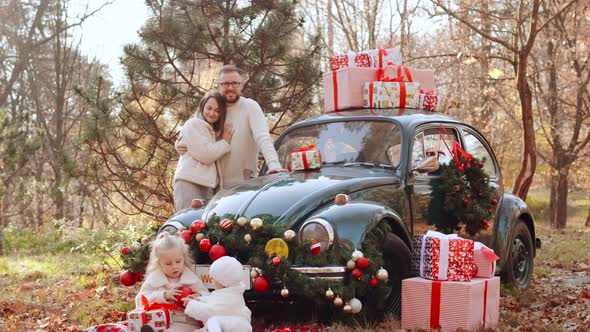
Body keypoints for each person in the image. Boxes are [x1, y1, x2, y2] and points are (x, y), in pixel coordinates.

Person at [177, 65, 283, 189]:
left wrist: (274, 164)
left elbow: (263, 137)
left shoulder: (250, 106)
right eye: (226, 84)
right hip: (212, 186)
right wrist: (179, 143)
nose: (230, 88)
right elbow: (189, 130)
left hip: (243, 183)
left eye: (235, 83)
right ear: (219, 85)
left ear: (241, 86)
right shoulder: (211, 106)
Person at [135, 232, 210, 332]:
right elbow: (140, 301)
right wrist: (163, 296)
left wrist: (198, 297)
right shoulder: (154, 279)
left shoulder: (190, 279)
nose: (174, 266)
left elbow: (208, 297)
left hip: (188, 323)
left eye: (178, 261)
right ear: (159, 264)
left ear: (184, 258)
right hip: (161, 322)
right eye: (168, 264)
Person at [173, 92, 233, 210]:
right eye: (209, 108)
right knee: (188, 224)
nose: (212, 113)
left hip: (207, 185)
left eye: (217, 111)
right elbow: (206, 155)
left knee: (203, 226)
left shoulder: (211, 130)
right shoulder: (193, 123)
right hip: (189, 182)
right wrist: (225, 142)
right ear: (202, 106)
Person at [184, 256, 252, 332]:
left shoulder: (230, 297)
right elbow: (213, 300)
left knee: (213, 322)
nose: (211, 280)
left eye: (213, 279)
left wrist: (191, 304)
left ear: (222, 282)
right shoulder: (228, 292)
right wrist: (199, 300)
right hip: (228, 324)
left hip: (235, 328)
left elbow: (209, 311)